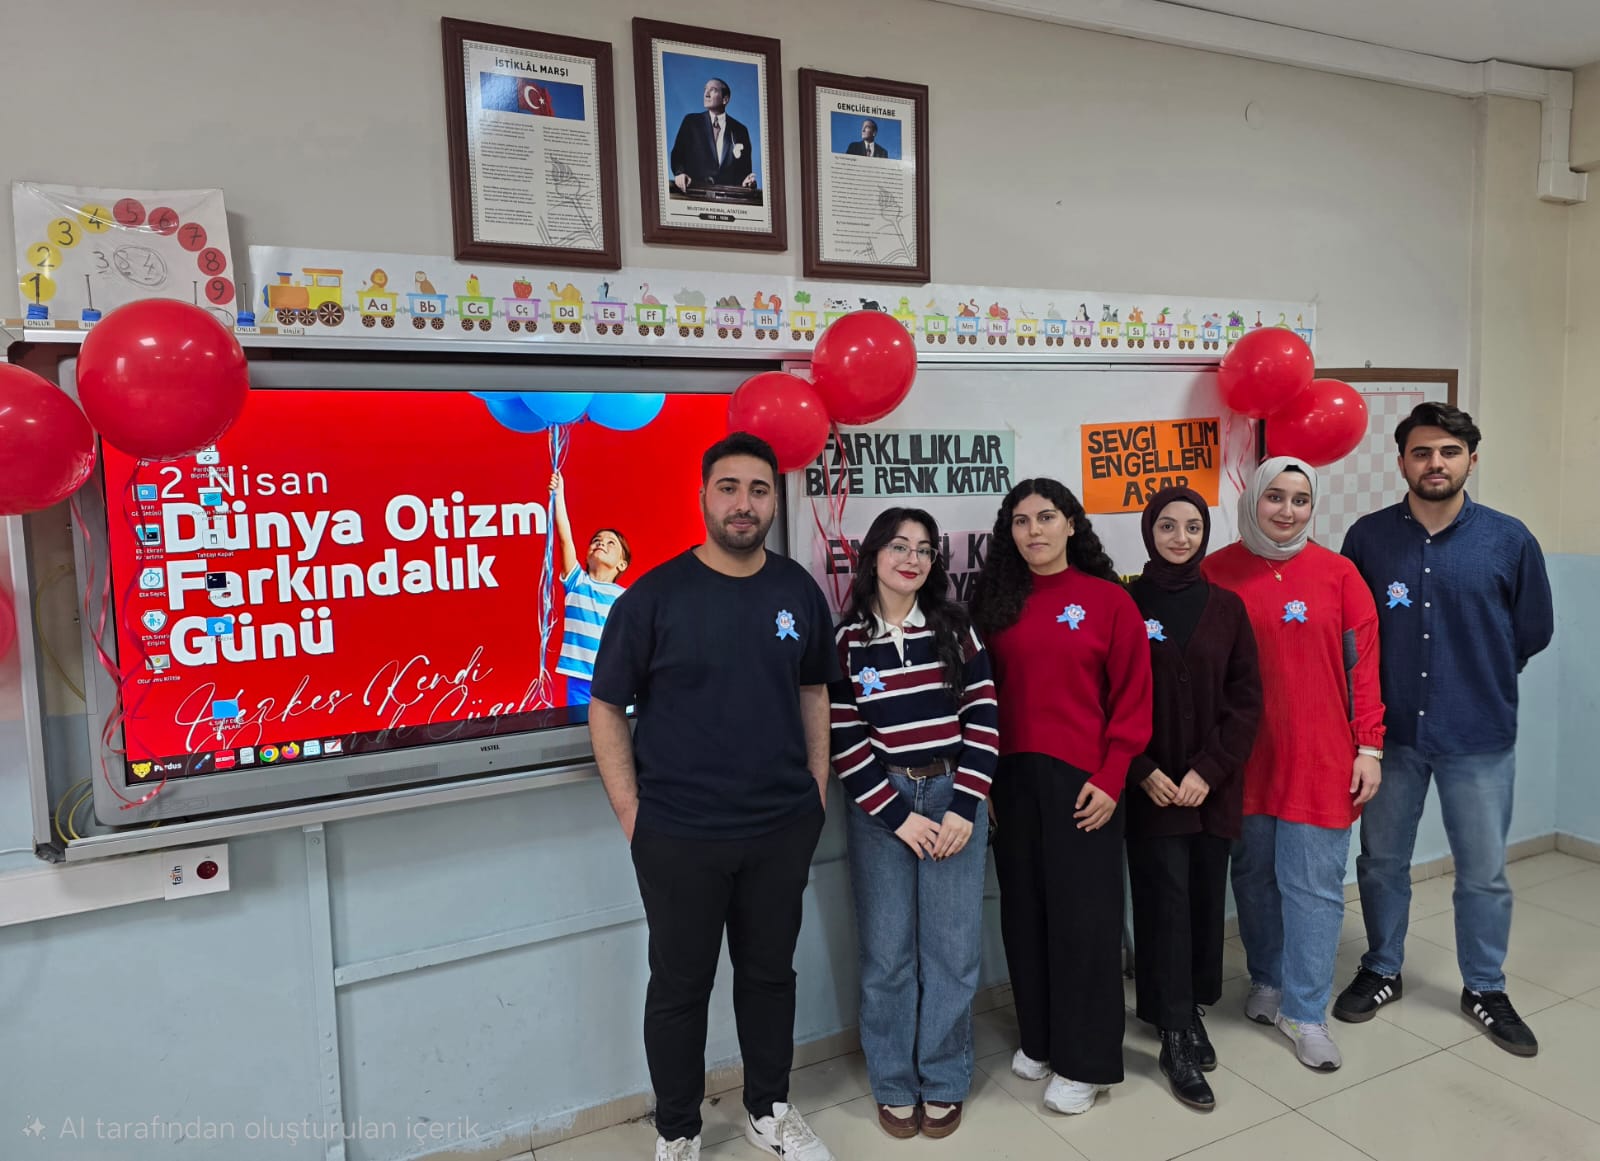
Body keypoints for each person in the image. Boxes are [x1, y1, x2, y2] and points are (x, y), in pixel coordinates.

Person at [588, 433, 838, 1161]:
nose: (744, 503)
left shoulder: (796, 588)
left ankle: (769, 1108)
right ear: (702, 496)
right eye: (728, 487)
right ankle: (678, 1129)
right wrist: (634, 816)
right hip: (678, 834)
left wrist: (815, 789)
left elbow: (814, 689)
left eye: (758, 490)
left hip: (781, 826)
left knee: (770, 975)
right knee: (679, 985)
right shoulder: (653, 596)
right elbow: (605, 706)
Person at [1334, 403, 1553, 1056]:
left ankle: (1484, 985)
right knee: (1381, 862)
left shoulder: (1510, 540)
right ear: (1401, 461)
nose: (1436, 463)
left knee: (1484, 871)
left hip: (1479, 736)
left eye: (1449, 451)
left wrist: (1477, 674)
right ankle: (1381, 967)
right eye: (1423, 451)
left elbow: (1532, 629)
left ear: (1471, 461)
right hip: (1389, 738)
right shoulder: (1368, 539)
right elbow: (1350, 637)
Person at [969, 478, 1152, 1117]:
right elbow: (977, 699)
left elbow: (1133, 700)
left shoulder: (1109, 601)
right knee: (1024, 913)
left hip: (1086, 783)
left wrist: (1112, 777)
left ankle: (1087, 1061)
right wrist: (983, 780)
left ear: (1071, 523)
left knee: (1086, 923)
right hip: (1011, 781)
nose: (1034, 531)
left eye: (1046, 517)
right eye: (1020, 522)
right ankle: (1040, 1040)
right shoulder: (992, 603)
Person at [1202, 457, 1385, 1072]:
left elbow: (1364, 668)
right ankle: (1269, 980)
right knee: (1253, 878)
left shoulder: (1340, 575)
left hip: (1321, 758)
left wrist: (1369, 746)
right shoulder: (1215, 571)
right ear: (1253, 499)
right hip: (1242, 760)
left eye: (1300, 499)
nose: (1287, 510)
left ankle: (1307, 1012)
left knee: (1313, 888)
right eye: (1275, 497)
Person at [829, 507, 998, 1140]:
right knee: (888, 955)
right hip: (884, 808)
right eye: (899, 546)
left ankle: (945, 1079)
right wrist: (898, 817)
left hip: (956, 796)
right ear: (872, 556)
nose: (912, 559)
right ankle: (895, 1083)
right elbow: (846, 740)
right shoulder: (846, 643)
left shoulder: (957, 631)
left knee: (952, 953)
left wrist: (963, 806)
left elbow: (984, 719)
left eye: (925, 550)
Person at [1125, 487, 1262, 1111]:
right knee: (1165, 903)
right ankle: (1172, 1028)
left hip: (1210, 790)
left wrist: (1209, 770)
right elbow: (1109, 700)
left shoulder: (1229, 608)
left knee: (1206, 899)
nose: (1180, 537)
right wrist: (1143, 769)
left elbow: (1245, 701)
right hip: (1151, 790)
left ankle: (1192, 1004)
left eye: (1191, 527)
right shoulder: (1124, 603)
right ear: (1149, 530)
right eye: (1167, 526)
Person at [550, 471, 629, 707]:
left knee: (619, 738)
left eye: (610, 543)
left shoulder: (626, 597)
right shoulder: (576, 583)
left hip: (616, 681)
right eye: (596, 540)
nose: (601, 543)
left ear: (621, 564)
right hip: (580, 684)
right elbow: (565, 537)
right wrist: (558, 495)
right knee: (583, 739)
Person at [669, 77, 757, 193]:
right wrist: (680, 173)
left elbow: (745, 171)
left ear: (725, 99)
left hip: (728, 199)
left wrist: (746, 181)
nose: (706, 94)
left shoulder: (740, 130)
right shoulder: (691, 122)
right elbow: (677, 154)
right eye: (705, 89)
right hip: (693, 192)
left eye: (713, 90)